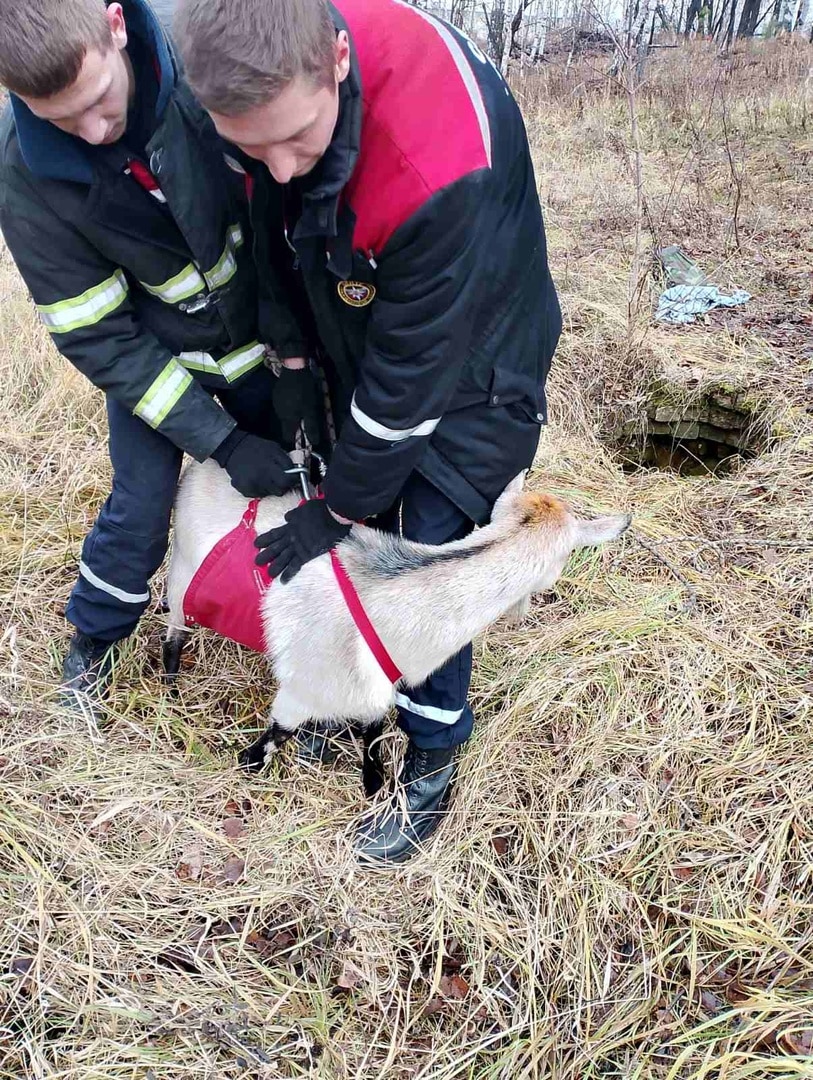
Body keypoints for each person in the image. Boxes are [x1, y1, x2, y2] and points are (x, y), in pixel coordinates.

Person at [175, 0, 562, 863]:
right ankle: (351, 693)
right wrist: (294, 385)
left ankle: (432, 749)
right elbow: (276, 254)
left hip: (474, 369)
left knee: (422, 544)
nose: (276, 168)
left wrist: (345, 505)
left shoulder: (435, 162)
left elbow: (407, 389)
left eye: (298, 143)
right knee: (348, 513)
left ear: (337, 62)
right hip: (355, 314)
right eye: (252, 148)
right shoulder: (252, 96)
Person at [0, 0, 309, 715]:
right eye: (60, 119)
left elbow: (289, 218)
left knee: (308, 486)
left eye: (99, 101)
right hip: (160, 360)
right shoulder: (24, 167)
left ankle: (308, 654)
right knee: (138, 509)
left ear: (115, 26)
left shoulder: (210, 60)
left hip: (268, 339)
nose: (93, 132)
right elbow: (95, 332)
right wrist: (221, 440)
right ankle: (94, 643)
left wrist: (293, 363)